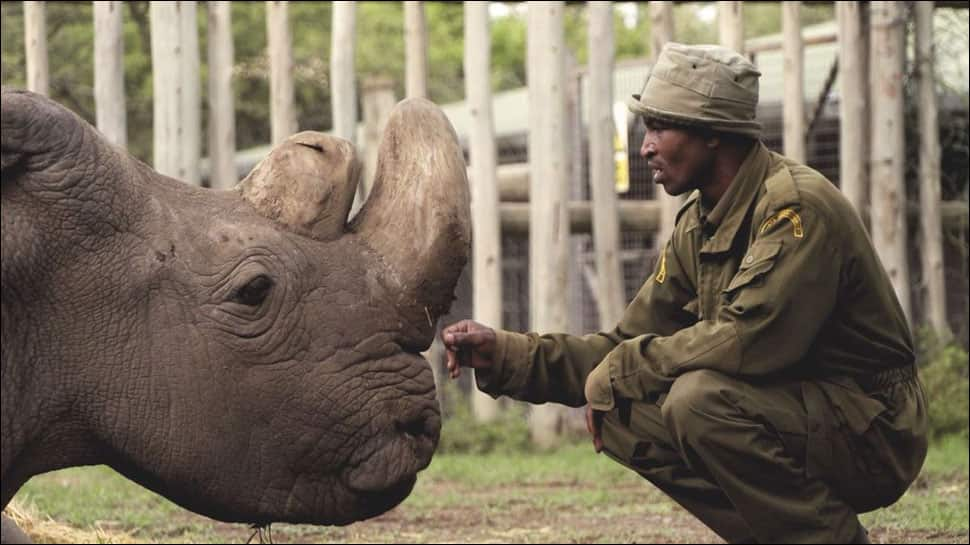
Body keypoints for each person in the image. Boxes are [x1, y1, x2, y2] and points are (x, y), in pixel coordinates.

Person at [441, 42, 927, 544]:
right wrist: (506, 353)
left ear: (713, 134)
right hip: (797, 413)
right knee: (623, 413)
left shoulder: (796, 209)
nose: (645, 145)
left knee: (695, 402)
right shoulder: (699, 222)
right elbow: (625, 342)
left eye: (658, 127)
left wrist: (624, 368)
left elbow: (749, 342)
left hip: (874, 429)